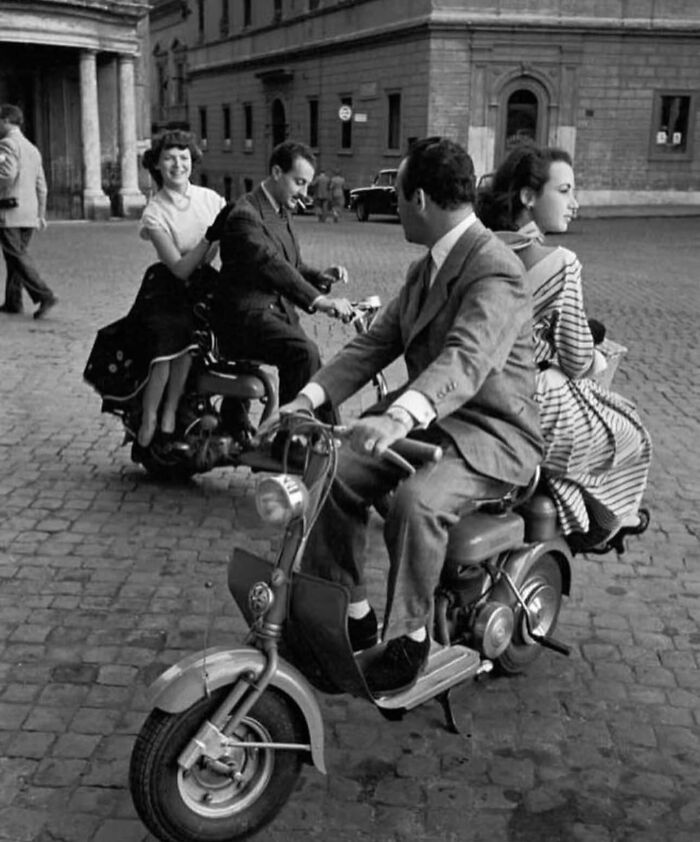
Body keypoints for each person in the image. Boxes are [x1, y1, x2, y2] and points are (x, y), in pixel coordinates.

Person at [277, 137, 543, 695]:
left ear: (419, 198)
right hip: (435, 423)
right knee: (335, 471)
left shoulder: (495, 268)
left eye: (396, 195)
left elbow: (465, 358)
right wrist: (308, 399)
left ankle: (411, 640)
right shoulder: (428, 268)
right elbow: (374, 344)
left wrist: (397, 417)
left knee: (416, 502)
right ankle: (351, 616)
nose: (393, 205)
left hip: (492, 435)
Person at [476, 144, 652, 554]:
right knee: (630, 432)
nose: (575, 203)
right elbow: (576, 360)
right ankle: (600, 526)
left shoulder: (477, 245)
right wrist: (594, 356)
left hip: (467, 392)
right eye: (566, 191)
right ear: (528, 197)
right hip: (525, 400)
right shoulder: (560, 262)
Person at [84, 129, 226, 448]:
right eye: (170, 159)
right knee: (166, 345)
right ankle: (150, 413)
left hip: (204, 284)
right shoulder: (155, 212)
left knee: (194, 345)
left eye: (184, 158)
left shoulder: (212, 199)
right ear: (158, 165)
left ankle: (174, 409)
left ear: (193, 162)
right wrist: (209, 237)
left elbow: (231, 238)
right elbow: (179, 267)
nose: (178, 165)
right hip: (167, 287)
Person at [214, 141, 354, 419]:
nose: (304, 193)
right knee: (303, 353)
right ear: (277, 172)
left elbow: (293, 265)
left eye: (307, 185)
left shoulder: (280, 210)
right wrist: (321, 302)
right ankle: (292, 438)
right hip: (244, 319)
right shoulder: (245, 214)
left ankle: (329, 436)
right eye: (299, 182)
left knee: (315, 366)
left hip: (274, 313)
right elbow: (270, 263)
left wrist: (320, 277)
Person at [0, 103, 57, 319]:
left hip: (10, 210)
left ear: (6, 121)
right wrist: (40, 214)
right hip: (29, 213)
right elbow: (42, 185)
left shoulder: (6, 144)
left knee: (16, 255)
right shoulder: (33, 149)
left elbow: (6, 175)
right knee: (15, 256)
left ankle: (45, 295)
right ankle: (13, 301)